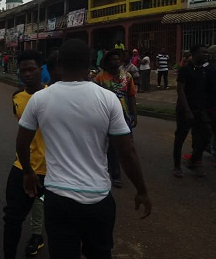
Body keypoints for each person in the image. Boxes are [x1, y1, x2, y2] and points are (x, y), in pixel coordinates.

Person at [16, 39, 151, 259]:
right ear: (90, 64)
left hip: (58, 197)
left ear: (59, 63)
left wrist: (28, 172)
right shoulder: (108, 99)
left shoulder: (40, 99)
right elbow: (127, 152)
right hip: (98, 198)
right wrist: (142, 190)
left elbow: (22, 143)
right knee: (99, 253)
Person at [3, 50, 46, 259]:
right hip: (23, 167)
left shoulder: (52, 95)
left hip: (52, 170)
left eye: (32, 69)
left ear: (41, 69)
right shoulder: (17, 97)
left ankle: (38, 237)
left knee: (58, 218)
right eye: (23, 71)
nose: (27, 74)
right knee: (12, 218)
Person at [94, 49, 138, 188]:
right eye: (113, 59)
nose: (116, 61)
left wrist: (134, 114)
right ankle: (112, 173)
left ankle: (121, 172)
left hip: (124, 115)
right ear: (107, 62)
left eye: (118, 59)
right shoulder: (99, 78)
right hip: (104, 115)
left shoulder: (127, 76)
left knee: (125, 145)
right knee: (109, 146)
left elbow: (131, 96)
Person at [172, 44, 211, 178]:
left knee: (206, 136)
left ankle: (193, 161)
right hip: (186, 109)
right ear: (194, 53)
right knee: (180, 137)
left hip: (201, 109)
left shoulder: (204, 70)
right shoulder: (185, 69)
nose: (206, 54)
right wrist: (187, 110)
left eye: (207, 52)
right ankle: (177, 166)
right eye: (203, 52)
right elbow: (180, 90)